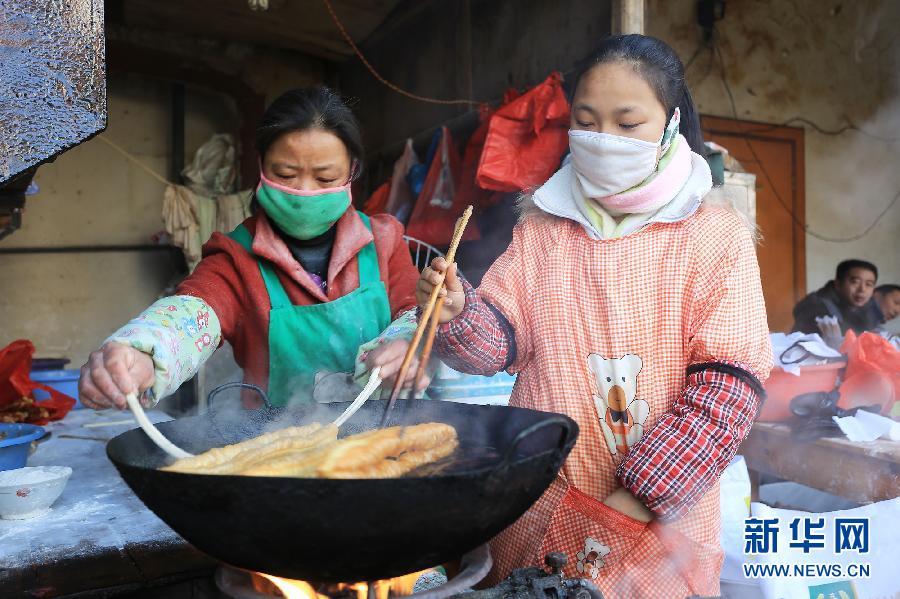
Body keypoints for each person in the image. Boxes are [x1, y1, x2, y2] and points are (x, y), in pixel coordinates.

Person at [416, 35, 771, 597]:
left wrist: (636, 500)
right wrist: (459, 311)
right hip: (540, 509)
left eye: (627, 124)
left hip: (660, 529)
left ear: (672, 124)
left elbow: (727, 390)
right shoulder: (544, 225)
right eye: (586, 121)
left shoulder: (713, 235)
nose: (604, 141)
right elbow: (497, 345)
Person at [80, 87, 424, 410]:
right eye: (286, 174)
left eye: (324, 178)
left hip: (387, 431)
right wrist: (141, 354)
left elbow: (415, 314)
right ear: (260, 167)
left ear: (353, 171)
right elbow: (192, 315)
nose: (303, 191)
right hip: (273, 447)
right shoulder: (235, 258)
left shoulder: (384, 242)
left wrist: (405, 346)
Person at [792, 259, 879, 336]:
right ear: (838, 284)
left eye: (869, 284)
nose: (862, 289)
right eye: (855, 282)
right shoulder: (815, 305)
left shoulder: (865, 307)